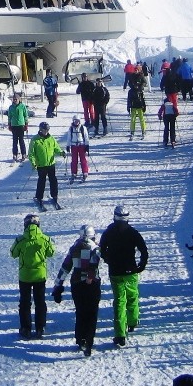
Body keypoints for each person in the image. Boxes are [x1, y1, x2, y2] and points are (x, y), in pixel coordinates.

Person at [99, 205, 149, 346]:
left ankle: (120, 334)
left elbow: (102, 249)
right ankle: (132, 322)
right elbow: (144, 250)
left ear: (114, 216)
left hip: (116, 272)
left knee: (119, 301)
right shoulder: (132, 232)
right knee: (133, 296)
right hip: (131, 271)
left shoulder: (109, 232)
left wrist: (108, 259)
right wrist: (141, 265)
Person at [51, 224, 102, 357]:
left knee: (80, 311)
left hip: (77, 284)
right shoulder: (95, 248)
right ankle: (89, 341)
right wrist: (90, 277)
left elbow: (65, 267)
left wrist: (58, 285)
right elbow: (94, 264)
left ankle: (81, 339)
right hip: (92, 284)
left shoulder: (74, 248)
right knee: (92, 313)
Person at [10, 213, 55, 340]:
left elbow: (13, 253)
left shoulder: (20, 240)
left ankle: (26, 328)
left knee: (25, 302)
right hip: (40, 275)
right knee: (40, 301)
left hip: (25, 276)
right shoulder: (45, 239)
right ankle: (40, 328)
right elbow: (51, 253)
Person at [29, 121, 65, 211]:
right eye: (44, 130)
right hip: (41, 165)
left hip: (51, 163)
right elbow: (31, 153)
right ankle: (39, 197)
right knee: (42, 181)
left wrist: (61, 152)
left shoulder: (51, 138)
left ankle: (55, 195)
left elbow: (56, 148)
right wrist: (33, 162)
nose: (46, 131)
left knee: (53, 180)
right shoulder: (35, 140)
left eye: (47, 130)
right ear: (40, 130)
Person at [63, 115, 90, 183]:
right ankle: (74, 173)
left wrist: (87, 145)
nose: (76, 122)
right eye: (75, 121)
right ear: (73, 121)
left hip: (81, 145)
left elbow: (86, 137)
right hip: (74, 145)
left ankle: (85, 172)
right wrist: (68, 145)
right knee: (74, 160)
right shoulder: (71, 129)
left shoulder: (83, 128)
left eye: (77, 121)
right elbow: (69, 137)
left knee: (83, 159)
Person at [7, 92, 31, 163]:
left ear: (19, 100)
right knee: (15, 141)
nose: (15, 101)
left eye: (16, 99)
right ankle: (15, 154)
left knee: (21, 141)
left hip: (21, 125)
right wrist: (9, 124)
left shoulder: (22, 106)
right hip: (14, 125)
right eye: (14, 99)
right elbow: (9, 116)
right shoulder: (11, 107)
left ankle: (23, 153)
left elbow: (25, 115)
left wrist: (26, 124)